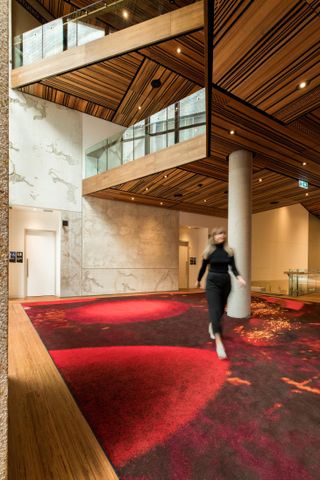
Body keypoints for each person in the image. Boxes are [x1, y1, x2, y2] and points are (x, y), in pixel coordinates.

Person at [197, 227, 246, 360]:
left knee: (219, 312)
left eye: (223, 233)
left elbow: (233, 268)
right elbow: (202, 268)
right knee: (214, 310)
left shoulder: (229, 251)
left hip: (226, 282)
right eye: (219, 234)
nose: (222, 236)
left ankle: (213, 324)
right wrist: (198, 280)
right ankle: (219, 343)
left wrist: (239, 277)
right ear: (213, 236)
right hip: (212, 282)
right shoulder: (208, 252)